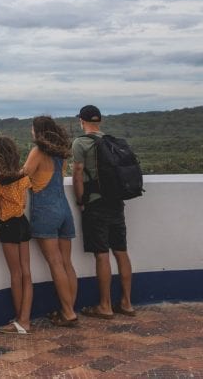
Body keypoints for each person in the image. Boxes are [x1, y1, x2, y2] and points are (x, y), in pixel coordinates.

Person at [72, 104, 136, 319]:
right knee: (121, 251)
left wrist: (80, 200)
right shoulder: (111, 142)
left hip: (96, 203)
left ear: (81, 121)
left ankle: (105, 305)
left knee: (102, 255)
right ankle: (127, 303)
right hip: (116, 202)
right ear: (99, 121)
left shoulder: (81, 143)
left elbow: (78, 174)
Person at [22, 115, 78, 327]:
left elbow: (23, 174)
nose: (31, 131)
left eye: (32, 128)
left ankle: (68, 312)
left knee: (55, 263)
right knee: (66, 262)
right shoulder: (61, 154)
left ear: (38, 131)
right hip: (64, 208)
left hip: (45, 210)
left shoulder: (38, 152)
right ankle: (69, 309)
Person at [0, 135, 33, 335]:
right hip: (23, 223)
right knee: (26, 273)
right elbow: (23, 203)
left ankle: (20, 321)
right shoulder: (22, 176)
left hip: (8, 225)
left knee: (15, 274)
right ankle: (26, 318)